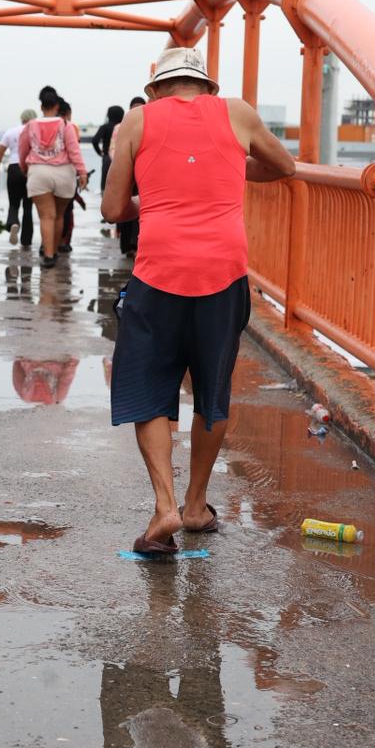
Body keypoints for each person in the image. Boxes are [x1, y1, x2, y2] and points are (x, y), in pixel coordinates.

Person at [101, 47, 295, 555]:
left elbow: (113, 208)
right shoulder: (238, 112)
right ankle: (194, 506)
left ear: (155, 90)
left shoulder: (135, 123)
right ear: (207, 87)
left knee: (150, 388)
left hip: (158, 272)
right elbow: (285, 166)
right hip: (223, 272)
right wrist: (233, 167)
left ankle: (163, 508)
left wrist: (154, 201)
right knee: (212, 391)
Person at [19, 88, 88, 269]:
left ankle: (48, 255)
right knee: (58, 216)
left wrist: (24, 167)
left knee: (45, 216)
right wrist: (82, 172)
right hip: (64, 173)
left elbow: (23, 148)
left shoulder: (31, 125)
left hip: (39, 172)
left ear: (41, 105)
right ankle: (55, 250)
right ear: (57, 106)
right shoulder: (65, 125)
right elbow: (74, 150)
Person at [0, 109, 37, 246]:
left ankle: (13, 223)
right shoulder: (35, 131)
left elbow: (0, 152)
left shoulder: (11, 132)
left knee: (13, 203)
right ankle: (26, 241)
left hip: (13, 168)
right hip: (30, 169)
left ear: (22, 118)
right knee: (28, 207)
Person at [114, 96, 146, 257]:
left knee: (141, 211)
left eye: (140, 108)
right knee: (124, 208)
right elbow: (114, 151)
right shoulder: (121, 127)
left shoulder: (150, 126)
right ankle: (126, 245)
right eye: (134, 108)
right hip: (126, 173)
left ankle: (136, 244)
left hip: (143, 175)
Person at [57, 98, 83, 255]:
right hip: (67, 174)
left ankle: (48, 244)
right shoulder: (71, 127)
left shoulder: (44, 126)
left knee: (49, 214)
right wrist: (82, 171)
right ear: (68, 114)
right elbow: (75, 150)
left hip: (47, 173)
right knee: (66, 211)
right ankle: (64, 242)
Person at [92, 105, 125, 193]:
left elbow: (95, 140)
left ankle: (104, 199)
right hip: (122, 158)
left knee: (105, 183)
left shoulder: (105, 127)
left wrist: (100, 152)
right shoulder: (124, 127)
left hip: (107, 157)